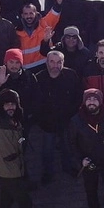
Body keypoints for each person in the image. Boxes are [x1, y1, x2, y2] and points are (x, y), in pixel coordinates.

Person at [30, 50, 83, 184]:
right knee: (47, 150)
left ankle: (68, 167)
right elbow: (34, 102)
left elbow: (78, 96)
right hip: (48, 124)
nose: (55, 65)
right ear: (47, 62)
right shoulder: (38, 78)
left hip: (67, 120)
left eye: (59, 62)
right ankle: (47, 173)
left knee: (67, 146)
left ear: (63, 63)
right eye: (52, 62)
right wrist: (41, 120)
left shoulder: (71, 75)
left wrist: (73, 115)